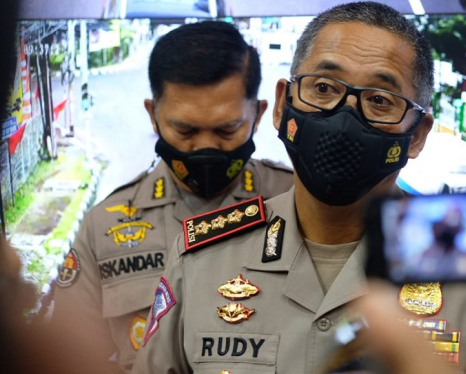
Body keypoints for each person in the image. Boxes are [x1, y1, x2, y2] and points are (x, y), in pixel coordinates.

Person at [132, 3, 466, 373]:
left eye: (380, 99)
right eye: (323, 88)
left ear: (416, 134)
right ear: (283, 106)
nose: (344, 117)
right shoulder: (201, 259)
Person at [50, 21, 293, 372]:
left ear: (257, 114)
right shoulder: (104, 227)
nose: (205, 147)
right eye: (185, 129)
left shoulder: (298, 203)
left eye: (227, 129)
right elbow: (67, 358)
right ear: (153, 115)